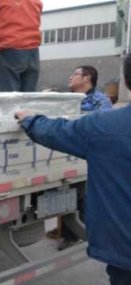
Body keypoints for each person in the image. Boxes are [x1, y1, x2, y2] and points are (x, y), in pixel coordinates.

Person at [14, 53, 131, 285]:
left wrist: (29, 118)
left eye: (76, 73)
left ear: (126, 80)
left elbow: (56, 132)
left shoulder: (105, 124)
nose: (71, 77)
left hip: (124, 248)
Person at [54, 65, 112, 250]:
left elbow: (102, 126)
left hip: (87, 155)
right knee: (65, 192)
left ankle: (78, 234)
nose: (70, 77)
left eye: (75, 74)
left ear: (87, 78)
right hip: (65, 154)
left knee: (83, 196)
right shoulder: (67, 100)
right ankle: (67, 232)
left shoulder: (100, 101)